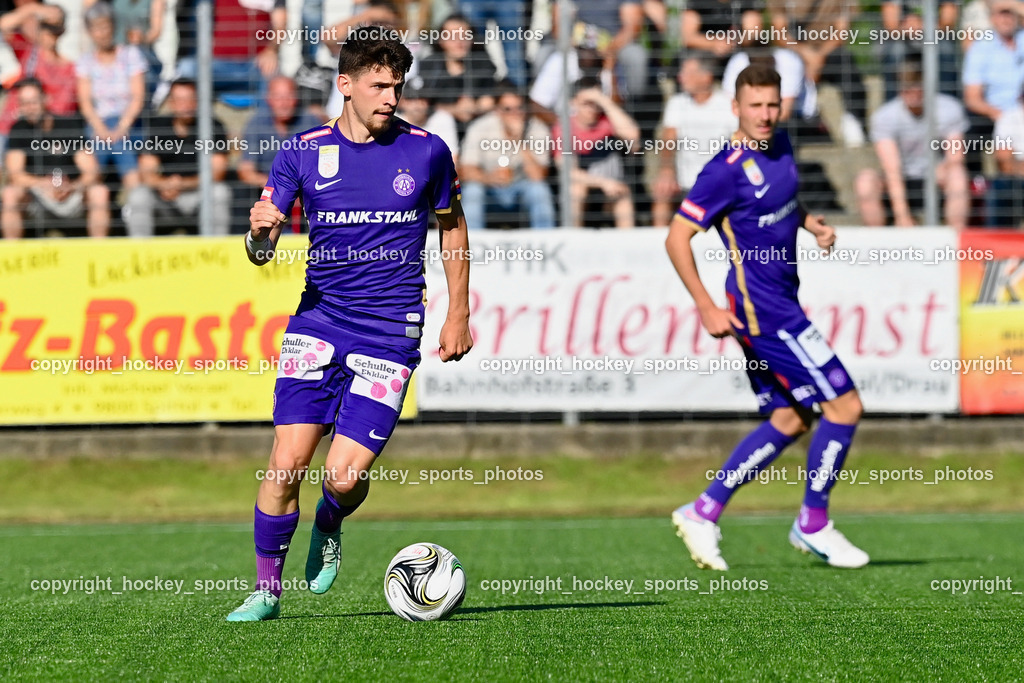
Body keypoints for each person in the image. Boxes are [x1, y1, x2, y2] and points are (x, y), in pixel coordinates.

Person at [225, 25, 473, 622]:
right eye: (379, 86)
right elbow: (261, 247)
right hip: (318, 323)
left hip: (390, 331)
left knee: (341, 476)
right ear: (345, 85)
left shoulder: (427, 150)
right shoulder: (302, 152)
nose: (391, 97)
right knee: (285, 462)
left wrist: (458, 311)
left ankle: (330, 521)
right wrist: (260, 234)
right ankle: (266, 592)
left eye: (397, 86)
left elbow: (453, 226)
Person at [665, 65, 868, 571]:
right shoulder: (724, 170)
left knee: (791, 417)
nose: (765, 115)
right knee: (844, 407)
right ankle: (813, 522)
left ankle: (703, 510)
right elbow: (675, 238)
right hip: (764, 315)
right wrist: (706, 305)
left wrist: (808, 222)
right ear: (735, 108)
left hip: (782, 302)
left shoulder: (780, 146)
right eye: (755, 106)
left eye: (772, 105)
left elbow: (779, 205)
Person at [855, 62, 969, 229]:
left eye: (919, 89)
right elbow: (892, 169)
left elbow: (955, 158)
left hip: (938, 176)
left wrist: (942, 169)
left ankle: (957, 240)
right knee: (864, 181)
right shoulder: (885, 116)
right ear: (900, 89)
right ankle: (876, 241)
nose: (914, 94)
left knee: (957, 175)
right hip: (901, 178)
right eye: (908, 88)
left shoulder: (949, 109)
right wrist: (903, 216)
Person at [123, 78, 232, 236]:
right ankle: (140, 255)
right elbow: (146, 172)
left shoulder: (213, 126)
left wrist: (183, 184)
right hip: (166, 197)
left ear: (197, 102)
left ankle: (218, 252)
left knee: (220, 192)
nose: (185, 105)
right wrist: (163, 184)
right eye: (180, 100)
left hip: (199, 196)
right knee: (138, 195)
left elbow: (218, 173)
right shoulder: (158, 126)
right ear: (171, 103)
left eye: (190, 99)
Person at [2, 79, 109, 238]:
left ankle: (101, 254)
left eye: (33, 102)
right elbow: (15, 175)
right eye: (24, 103)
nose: (29, 108)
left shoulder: (68, 125)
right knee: (9, 194)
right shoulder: (19, 130)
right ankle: (11, 258)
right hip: (38, 199)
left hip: (72, 196)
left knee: (100, 192)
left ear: (46, 99)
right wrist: (43, 184)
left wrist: (72, 186)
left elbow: (92, 171)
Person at [652, 51, 736, 227]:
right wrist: (667, 171)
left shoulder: (727, 104)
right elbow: (669, 141)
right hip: (685, 182)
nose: (680, 77)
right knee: (661, 193)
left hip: (719, 180)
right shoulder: (677, 102)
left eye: (687, 73)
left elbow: (738, 143)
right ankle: (660, 245)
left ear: (706, 77)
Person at [459, 84, 555, 229]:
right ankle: (472, 244)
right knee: (473, 190)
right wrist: (488, 178)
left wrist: (519, 142)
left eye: (519, 108)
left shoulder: (537, 128)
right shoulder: (480, 127)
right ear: (497, 111)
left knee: (539, 190)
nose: (515, 113)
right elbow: (466, 170)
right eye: (508, 109)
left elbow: (538, 176)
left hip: (521, 189)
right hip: (489, 190)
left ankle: (546, 245)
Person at [77, 1, 148, 192]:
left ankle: (127, 201)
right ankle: (131, 192)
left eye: (105, 26)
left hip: (129, 124)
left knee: (119, 142)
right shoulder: (85, 62)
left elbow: (137, 97)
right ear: (89, 32)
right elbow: (85, 103)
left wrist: (121, 127)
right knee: (105, 144)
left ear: (113, 26)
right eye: (96, 28)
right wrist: (102, 129)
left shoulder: (131, 55)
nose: (102, 33)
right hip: (97, 125)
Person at [553, 77, 639, 228]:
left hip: (612, 187)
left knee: (622, 194)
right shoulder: (564, 127)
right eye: (587, 103)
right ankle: (574, 241)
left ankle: (628, 244)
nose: (592, 109)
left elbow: (633, 136)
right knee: (576, 191)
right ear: (573, 102)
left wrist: (604, 101)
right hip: (587, 185)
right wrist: (603, 183)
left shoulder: (608, 120)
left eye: (596, 103)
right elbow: (567, 170)